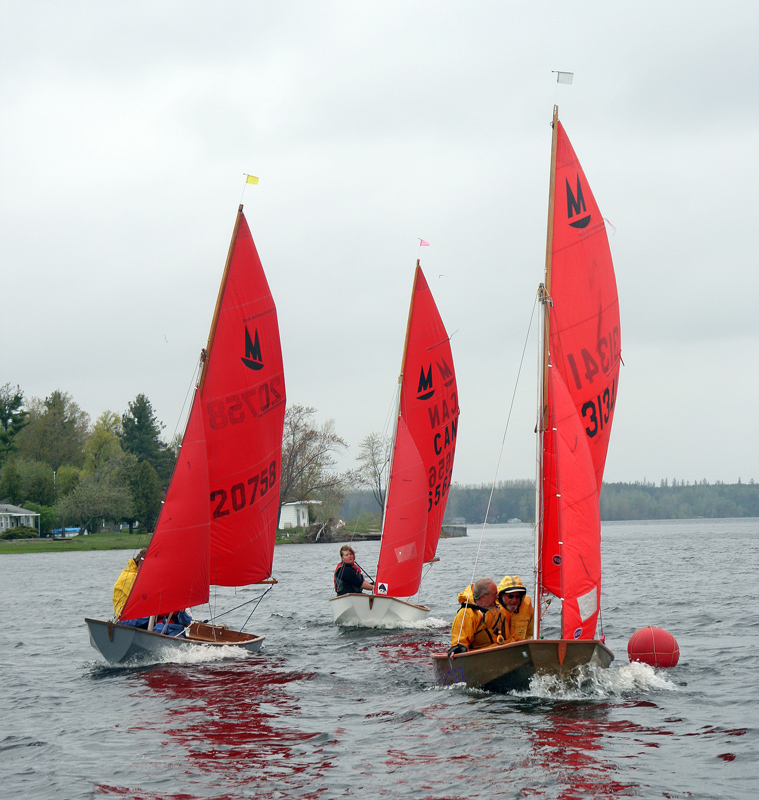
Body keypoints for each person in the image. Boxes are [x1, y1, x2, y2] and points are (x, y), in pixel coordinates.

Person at [448, 577, 508, 656]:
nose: (497, 597)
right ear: (483, 597)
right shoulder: (467, 613)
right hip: (482, 656)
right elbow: (460, 639)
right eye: (494, 594)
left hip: (502, 651)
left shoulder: (499, 609)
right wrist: (458, 648)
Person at [113, 548, 150, 628]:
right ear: (141, 562)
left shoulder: (139, 576)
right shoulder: (130, 576)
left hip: (135, 617)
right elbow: (143, 597)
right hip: (125, 619)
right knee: (151, 616)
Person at [496, 575, 534, 642]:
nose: (514, 600)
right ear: (501, 596)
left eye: (517, 596)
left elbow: (530, 633)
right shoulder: (493, 609)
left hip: (521, 648)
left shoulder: (527, 605)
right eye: (510, 596)